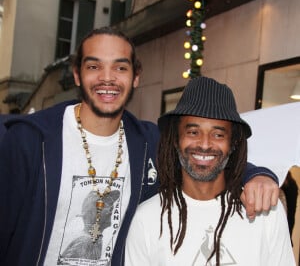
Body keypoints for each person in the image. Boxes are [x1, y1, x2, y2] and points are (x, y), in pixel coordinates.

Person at [0, 27, 279, 266]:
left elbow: (206, 156)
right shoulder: (29, 141)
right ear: (76, 75)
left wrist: (258, 176)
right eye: (94, 66)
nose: (107, 78)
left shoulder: (148, 142)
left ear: (136, 77)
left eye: (120, 67)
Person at [125, 76, 295, 266]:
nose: (205, 144)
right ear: (175, 139)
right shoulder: (146, 219)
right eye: (193, 132)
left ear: (233, 143)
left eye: (218, 134)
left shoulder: (265, 211)